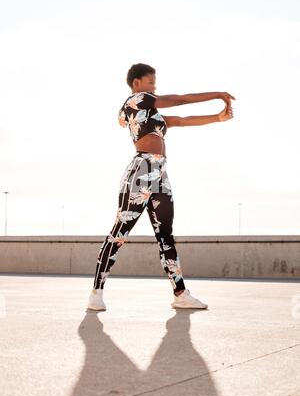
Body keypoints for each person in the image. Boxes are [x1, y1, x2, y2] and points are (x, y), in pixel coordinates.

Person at [88, 63, 235, 311]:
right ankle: (96, 293)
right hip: (141, 170)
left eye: (155, 84)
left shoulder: (152, 114)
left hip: (160, 175)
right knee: (120, 231)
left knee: (166, 236)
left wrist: (218, 118)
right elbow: (179, 100)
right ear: (137, 83)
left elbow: (182, 120)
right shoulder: (138, 100)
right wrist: (217, 94)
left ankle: (180, 293)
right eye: (151, 82)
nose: (154, 87)